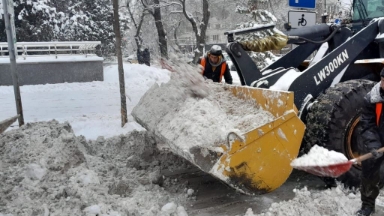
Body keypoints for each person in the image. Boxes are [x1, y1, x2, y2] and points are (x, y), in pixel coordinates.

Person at [357, 70, 384, 216]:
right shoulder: (371, 99)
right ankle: (367, 206)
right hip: (376, 139)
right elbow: (366, 124)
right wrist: (373, 146)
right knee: (369, 174)